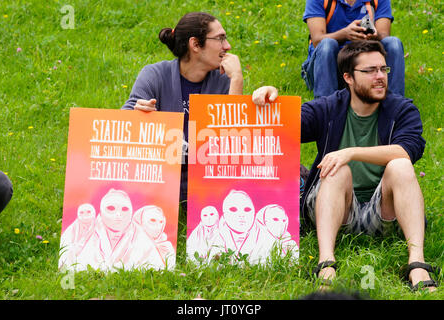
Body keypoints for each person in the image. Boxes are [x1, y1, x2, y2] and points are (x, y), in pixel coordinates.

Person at [252, 41, 438, 292]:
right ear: (348, 77)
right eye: (370, 70)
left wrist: (350, 152)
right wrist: (271, 100)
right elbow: (283, 125)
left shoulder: (402, 109)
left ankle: (417, 263)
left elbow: (407, 150)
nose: (380, 76)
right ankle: (326, 262)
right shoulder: (328, 107)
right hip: (335, 208)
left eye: (384, 69)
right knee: (336, 169)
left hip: (382, 209)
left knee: (401, 166)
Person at [122, 12, 243, 206]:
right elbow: (121, 126)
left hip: (208, 182)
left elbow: (235, 141)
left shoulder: (224, 80)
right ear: (195, 44)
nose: (227, 46)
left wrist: (236, 80)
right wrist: (137, 116)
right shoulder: (154, 75)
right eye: (220, 38)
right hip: (160, 180)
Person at [301, 0, 405, 98]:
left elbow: (384, 35)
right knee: (327, 44)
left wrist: (372, 35)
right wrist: (345, 34)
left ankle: (395, 105)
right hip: (326, 69)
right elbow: (317, 40)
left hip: (364, 67)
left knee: (393, 43)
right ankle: (325, 107)